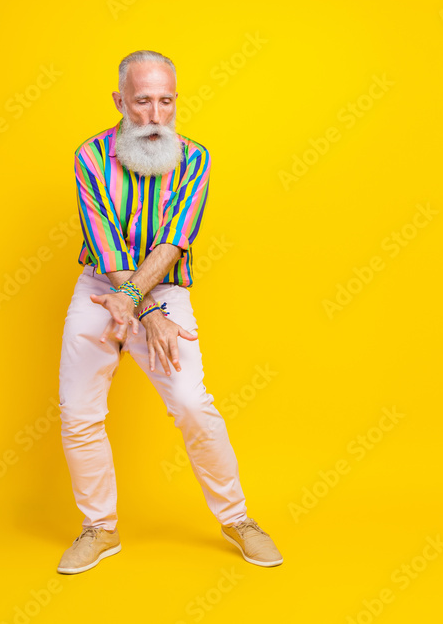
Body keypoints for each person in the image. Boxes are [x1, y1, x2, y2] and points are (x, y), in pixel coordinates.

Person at [55, 50, 282, 574]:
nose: (155, 114)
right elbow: (106, 243)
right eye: (142, 101)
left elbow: (175, 242)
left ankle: (238, 518)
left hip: (162, 290)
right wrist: (140, 307)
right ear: (120, 102)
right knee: (78, 411)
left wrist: (143, 305)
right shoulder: (89, 157)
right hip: (100, 287)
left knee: (191, 404)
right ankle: (99, 528)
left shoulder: (196, 159)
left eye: (165, 101)